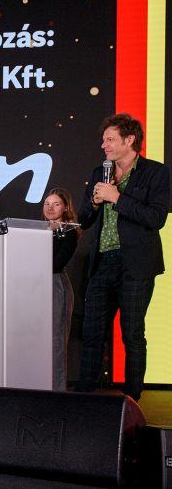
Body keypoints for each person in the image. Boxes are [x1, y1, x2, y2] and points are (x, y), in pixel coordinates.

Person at [76, 114, 169, 402]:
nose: (103, 145)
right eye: (103, 139)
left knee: (132, 333)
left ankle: (132, 400)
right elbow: (84, 219)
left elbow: (156, 218)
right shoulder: (100, 172)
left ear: (129, 140)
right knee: (92, 332)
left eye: (110, 139)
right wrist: (95, 202)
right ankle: (85, 396)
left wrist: (117, 198)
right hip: (102, 263)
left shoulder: (155, 172)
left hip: (136, 265)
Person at [42, 187, 79, 391]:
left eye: (56, 204)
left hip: (56, 285)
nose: (50, 208)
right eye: (47, 204)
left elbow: (57, 263)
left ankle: (57, 391)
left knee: (56, 340)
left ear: (65, 207)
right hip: (35, 285)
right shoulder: (37, 230)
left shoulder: (69, 231)